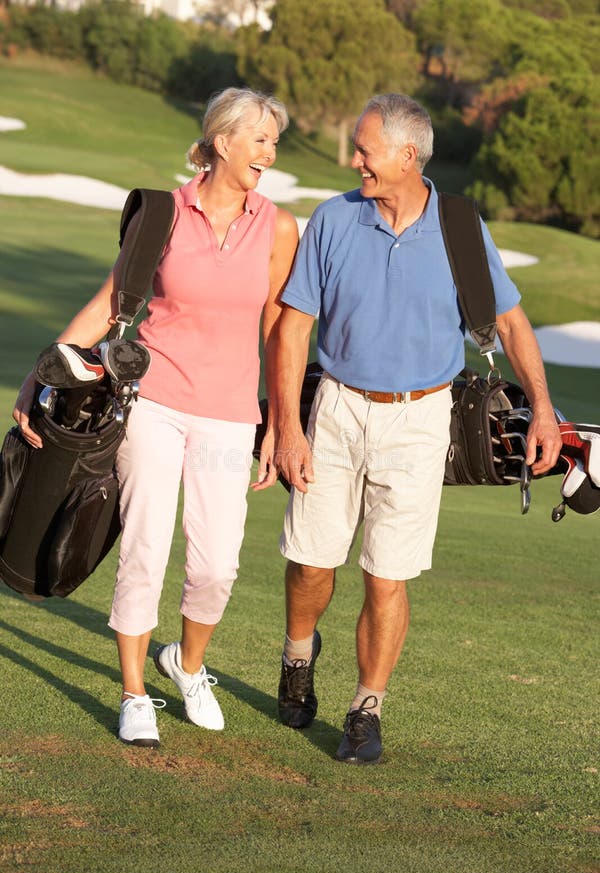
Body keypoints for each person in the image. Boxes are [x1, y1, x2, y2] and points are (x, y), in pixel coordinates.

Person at [263, 93, 561, 765]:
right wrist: (287, 426)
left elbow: (510, 323)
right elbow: (293, 331)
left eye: (365, 149)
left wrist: (543, 407)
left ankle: (366, 709)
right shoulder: (335, 219)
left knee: (386, 575)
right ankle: (298, 654)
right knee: (312, 561)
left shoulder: (460, 226)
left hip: (422, 419)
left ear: (407, 155)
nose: (354, 160)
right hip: (336, 408)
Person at [13, 87, 299, 748]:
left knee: (218, 563)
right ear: (223, 141)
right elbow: (113, 301)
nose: (269, 152)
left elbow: (284, 326)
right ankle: (135, 692)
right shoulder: (165, 212)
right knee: (145, 543)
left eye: (274, 141)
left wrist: (280, 422)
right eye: (259, 139)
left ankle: (187, 664)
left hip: (229, 415)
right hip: (155, 402)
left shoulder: (278, 227)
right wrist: (39, 371)